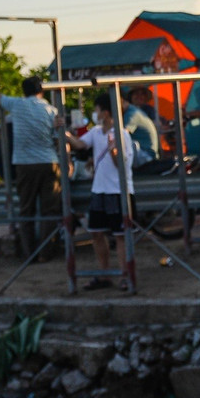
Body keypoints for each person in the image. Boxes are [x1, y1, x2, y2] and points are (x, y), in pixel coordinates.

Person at [64, 92, 135, 291]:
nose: (95, 113)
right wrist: (65, 133)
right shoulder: (96, 132)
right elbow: (80, 144)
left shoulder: (122, 134)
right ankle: (105, 274)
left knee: (120, 235)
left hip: (118, 191)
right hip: (99, 190)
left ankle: (125, 275)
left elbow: (122, 164)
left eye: (96, 110)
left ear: (105, 112)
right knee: (96, 233)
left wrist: (114, 151)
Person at [0, 77, 59, 261]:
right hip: (48, 162)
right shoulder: (50, 110)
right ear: (42, 90)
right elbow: (57, 136)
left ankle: (29, 254)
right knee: (49, 211)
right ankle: (46, 253)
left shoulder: (16, 104)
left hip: (24, 164)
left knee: (26, 210)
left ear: (23, 91)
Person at [120, 94, 159, 169]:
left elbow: (122, 135)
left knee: (121, 143)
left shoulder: (131, 113)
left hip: (147, 155)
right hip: (147, 153)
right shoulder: (135, 110)